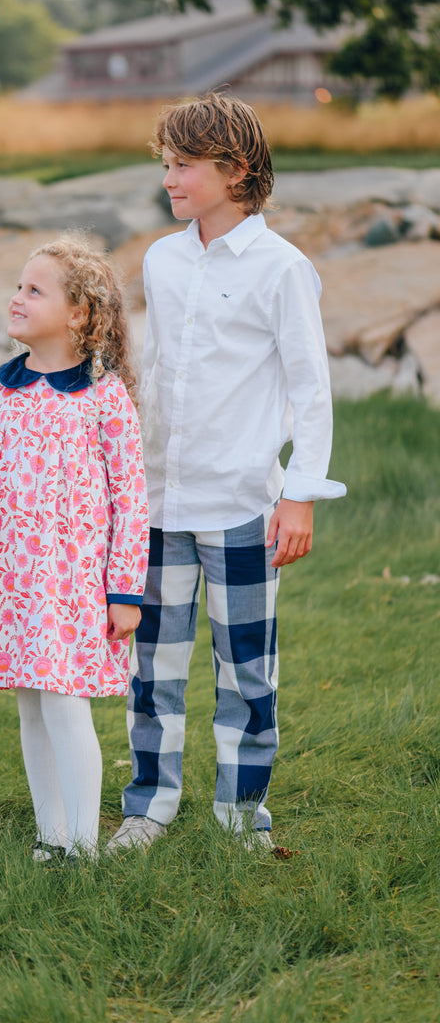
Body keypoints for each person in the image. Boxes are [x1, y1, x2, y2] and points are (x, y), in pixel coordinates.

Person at [108, 91, 346, 856]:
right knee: (154, 668)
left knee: (248, 669)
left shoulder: (282, 269)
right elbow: (155, 370)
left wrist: (300, 496)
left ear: (235, 170)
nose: (170, 178)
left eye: (184, 166)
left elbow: (310, 388)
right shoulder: (162, 259)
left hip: (242, 500)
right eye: (167, 165)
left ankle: (242, 811)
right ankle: (150, 804)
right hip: (159, 499)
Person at [0, 236, 149, 861]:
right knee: (30, 709)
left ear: (79, 314)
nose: (17, 298)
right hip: (10, 583)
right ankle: (51, 835)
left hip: (71, 588)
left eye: (34, 290)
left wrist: (125, 590)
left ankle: (85, 846)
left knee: (65, 706)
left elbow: (131, 503)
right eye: (17, 285)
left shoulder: (102, 397)